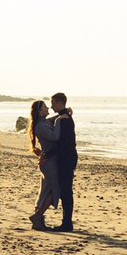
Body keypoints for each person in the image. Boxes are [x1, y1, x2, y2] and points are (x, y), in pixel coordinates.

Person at [41, 92, 77, 230]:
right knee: (65, 190)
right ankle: (66, 221)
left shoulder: (63, 119)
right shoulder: (65, 117)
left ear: (60, 103)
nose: (51, 106)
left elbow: (61, 143)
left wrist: (47, 155)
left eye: (53, 103)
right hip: (69, 157)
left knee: (66, 191)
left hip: (66, 158)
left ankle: (67, 223)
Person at [27, 99, 60, 228]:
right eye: (45, 108)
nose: (48, 109)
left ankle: (38, 218)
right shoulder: (40, 126)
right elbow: (54, 137)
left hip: (49, 160)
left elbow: (51, 120)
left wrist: (62, 114)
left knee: (46, 190)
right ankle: (38, 215)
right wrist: (60, 121)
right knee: (54, 189)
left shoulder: (44, 122)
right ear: (40, 112)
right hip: (49, 163)